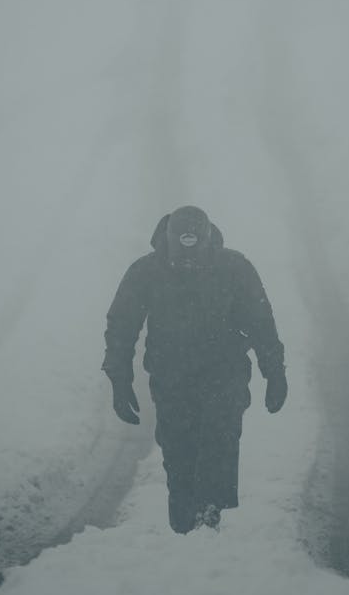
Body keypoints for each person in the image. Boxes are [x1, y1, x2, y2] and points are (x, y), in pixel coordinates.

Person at [102, 205, 287, 533]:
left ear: (206, 240)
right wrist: (119, 379)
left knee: (220, 438)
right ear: (169, 241)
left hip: (225, 373)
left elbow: (261, 321)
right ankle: (184, 527)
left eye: (195, 250)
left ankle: (209, 514)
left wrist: (274, 371)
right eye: (180, 251)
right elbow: (121, 325)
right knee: (178, 451)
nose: (187, 261)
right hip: (171, 378)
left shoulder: (234, 268)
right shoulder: (146, 272)